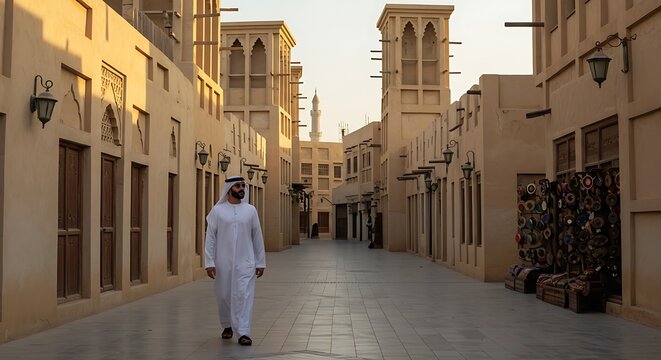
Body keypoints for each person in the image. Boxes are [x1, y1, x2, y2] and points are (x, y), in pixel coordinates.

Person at [204, 175, 266, 346]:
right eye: (237, 186)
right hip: (222, 262)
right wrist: (209, 262)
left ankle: (243, 332)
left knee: (243, 296)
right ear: (229, 189)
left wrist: (260, 262)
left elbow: (257, 237)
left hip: (246, 262)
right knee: (224, 295)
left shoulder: (251, 210)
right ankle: (227, 325)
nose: (241, 189)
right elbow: (210, 238)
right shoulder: (218, 211)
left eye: (242, 186)